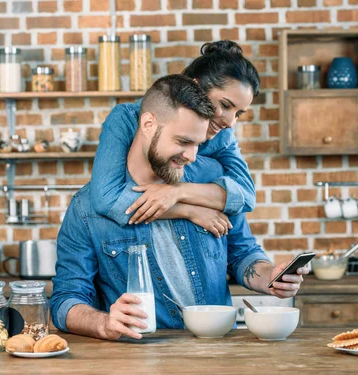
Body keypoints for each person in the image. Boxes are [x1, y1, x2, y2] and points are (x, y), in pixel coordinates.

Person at [50, 75, 309, 341]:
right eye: (183, 142)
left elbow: (243, 253)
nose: (192, 156)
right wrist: (104, 323)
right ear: (148, 124)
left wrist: (270, 276)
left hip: (217, 354)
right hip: (139, 357)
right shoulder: (87, 208)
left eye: (198, 144)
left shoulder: (213, 182)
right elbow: (65, 300)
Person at [90, 40, 260, 238]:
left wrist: (176, 192)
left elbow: (247, 196)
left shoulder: (222, 135)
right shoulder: (128, 118)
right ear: (197, 87)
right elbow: (106, 198)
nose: (230, 122)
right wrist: (188, 211)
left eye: (238, 113)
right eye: (225, 105)